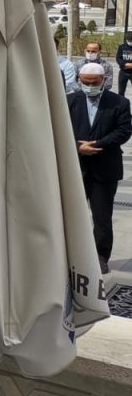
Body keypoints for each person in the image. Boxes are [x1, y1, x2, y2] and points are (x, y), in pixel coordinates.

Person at [69, 62, 132, 275]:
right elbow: (56, 129)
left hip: (105, 168)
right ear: (79, 80)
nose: (89, 86)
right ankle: (70, 254)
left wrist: (96, 145)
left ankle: (100, 256)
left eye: (94, 83)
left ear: (103, 80)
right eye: (85, 83)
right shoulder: (68, 101)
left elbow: (124, 131)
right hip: (75, 167)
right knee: (69, 215)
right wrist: (78, 147)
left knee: (102, 217)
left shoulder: (119, 103)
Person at [117, 32, 132, 97]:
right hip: (123, 72)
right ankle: (121, 105)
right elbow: (118, 58)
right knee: (121, 91)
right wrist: (124, 64)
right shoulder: (121, 47)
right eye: (129, 40)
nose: (130, 42)